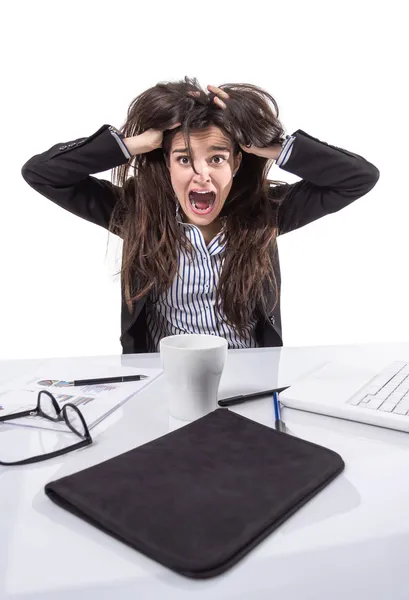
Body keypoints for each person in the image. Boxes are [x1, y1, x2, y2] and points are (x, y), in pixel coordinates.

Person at [21, 77, 380, 354]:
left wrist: (270, 144)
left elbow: (358, 177)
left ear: (237, 162)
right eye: (183, 159)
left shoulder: (264, 215)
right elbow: (42, 173)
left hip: (249, 381)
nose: (201, 174)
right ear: (167, 164)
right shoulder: (137, 215)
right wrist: (135, 144)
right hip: (166, 382)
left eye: (217, 158)